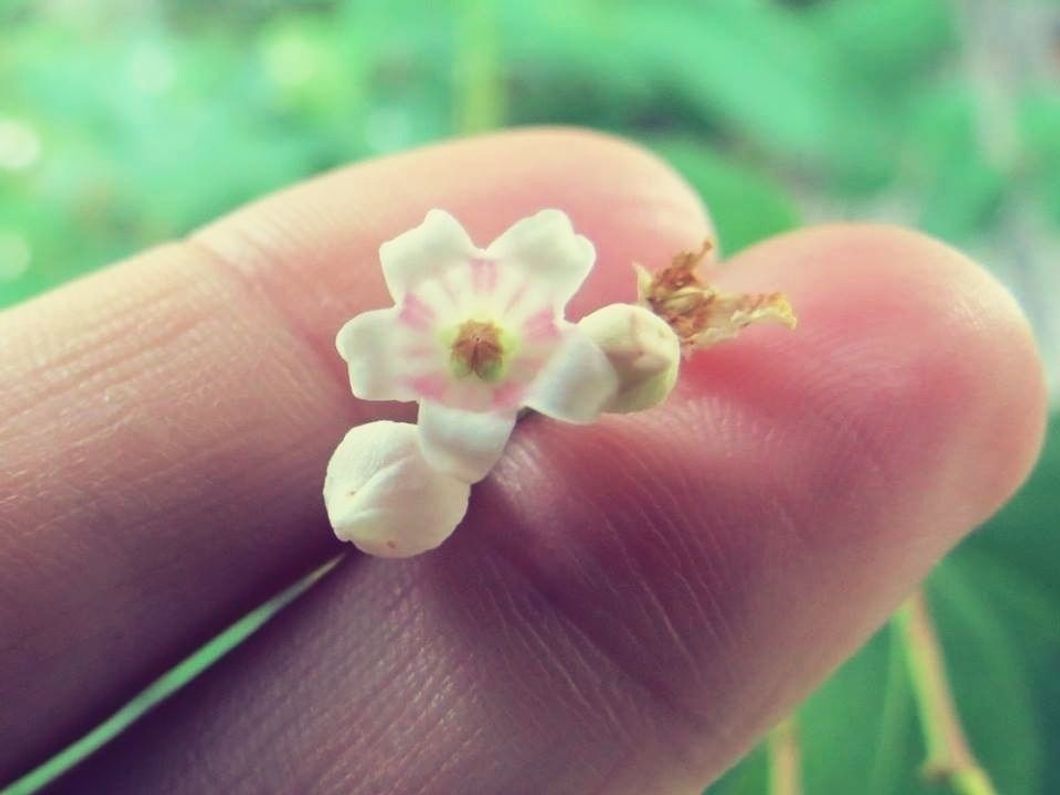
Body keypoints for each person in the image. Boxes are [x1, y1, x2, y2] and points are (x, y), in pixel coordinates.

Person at [0, 130, 1046, 794]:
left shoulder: (533, 372)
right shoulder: (455, 411)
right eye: (470, 349)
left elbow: (569, 368)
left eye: (489, 345)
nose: (478, 346)